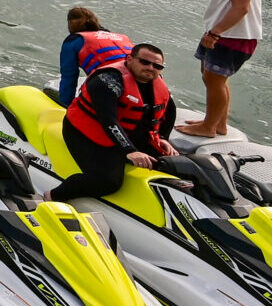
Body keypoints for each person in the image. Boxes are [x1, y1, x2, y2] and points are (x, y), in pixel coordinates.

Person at [160, 0, 262, 137]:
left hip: (233, 36)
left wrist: (215, 33)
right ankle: (218, 123)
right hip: (220, 33)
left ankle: (209, 127)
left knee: (214, 80)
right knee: (213, 79)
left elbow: (241, 7)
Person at [50, 41, 179, 201]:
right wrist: (130, 151)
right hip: (88, 132)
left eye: (157, 66)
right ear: (130, 59)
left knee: (174, 164)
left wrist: (162, 139)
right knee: (107, 181)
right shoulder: (108, 81)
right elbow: (108, 119)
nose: (151, 68)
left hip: (127, 133)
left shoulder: (155, 83)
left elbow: (169, 110)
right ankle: (52, 196)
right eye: (145, 62)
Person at [51, 7, 135, 105]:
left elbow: (69, 78)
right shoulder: (121, 37)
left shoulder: (74, 41)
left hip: (110, 85)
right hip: (142, 84)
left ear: (70, 24)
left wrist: (65, 106)